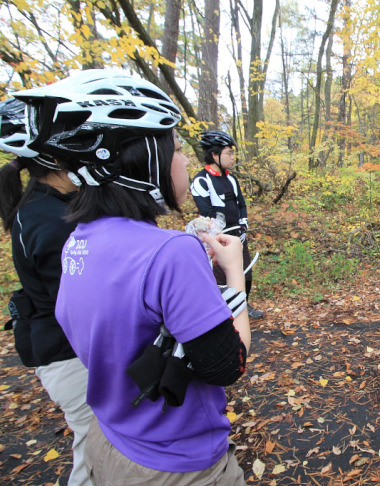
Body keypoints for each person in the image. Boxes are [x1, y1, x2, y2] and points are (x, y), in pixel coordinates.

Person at [15, 70, 251, 485]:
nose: (183, 161)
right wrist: (233, 273)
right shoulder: (171, 253)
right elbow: (227, 365)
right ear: (142, 158)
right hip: (179, 460)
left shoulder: (79, 240)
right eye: (176, 150)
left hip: (111, 442)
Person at [0, 97, 93, 486]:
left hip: (63, 346)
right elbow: (81, 302)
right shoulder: (49, 218)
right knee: (95, 458)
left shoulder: (51, 204)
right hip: (69, 355)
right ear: (57, 159)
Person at [190, 130, 265, 319]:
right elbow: (206, 213)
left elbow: (240, 203)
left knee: (246, 274)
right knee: (221, 278)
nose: (233, 157)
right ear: (214, 155)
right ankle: (223, 313)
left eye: (233, 153)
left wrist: (243, 224)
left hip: (238, 235)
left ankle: (244, 306)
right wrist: (221, 234)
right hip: (218, 238)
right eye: (228, 153)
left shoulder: (231, 178)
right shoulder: (201, 180)